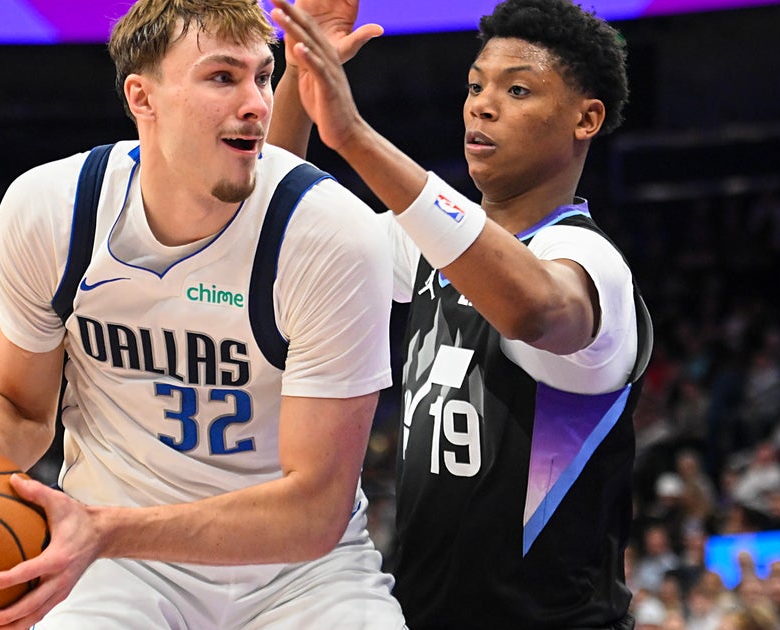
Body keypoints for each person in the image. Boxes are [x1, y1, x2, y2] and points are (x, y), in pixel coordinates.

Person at [0, 1, 407, 628]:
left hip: (301, 576)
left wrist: (105, 529)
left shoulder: (333, 234)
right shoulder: (51, 211)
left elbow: (314, 513)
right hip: (122, 570)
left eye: (263, 76)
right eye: (223, 77)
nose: (256, 103)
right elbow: (21, 409)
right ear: (143, 97)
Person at [269, 0, 652, 627]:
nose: (482, 105)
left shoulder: (589, 261)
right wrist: (297, 77)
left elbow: (532, 310)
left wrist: (354, 136)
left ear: (586, 119)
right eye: (475, 87)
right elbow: (279, 228)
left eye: (517, 90)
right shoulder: (426, 243)